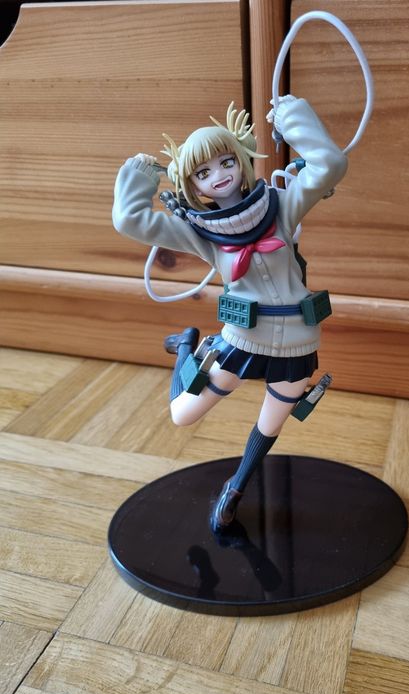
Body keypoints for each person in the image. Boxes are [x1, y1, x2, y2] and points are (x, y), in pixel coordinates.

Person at [112, 95, 348, 531]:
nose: (218, 175)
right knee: (183, 415)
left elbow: (330, 165)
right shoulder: (201, 232)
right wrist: (140, 175)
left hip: (298, 341)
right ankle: (188, 346)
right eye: (202, 173)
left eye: (225, 162)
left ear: (241, 160)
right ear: (193, 185)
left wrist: (294, 120)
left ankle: (235, 490)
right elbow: (131, 221)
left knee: (272, 424)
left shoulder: (282, 206)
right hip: (243, 340)